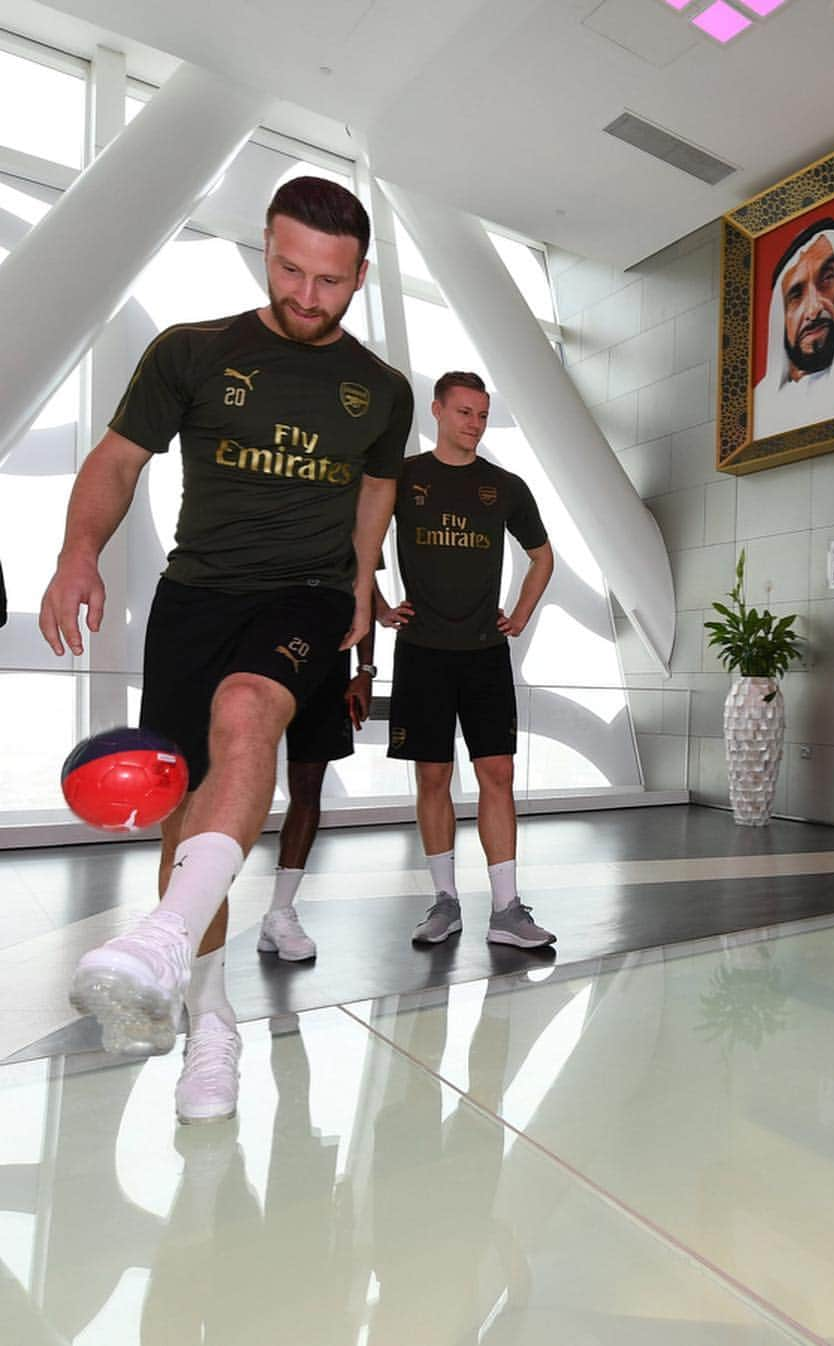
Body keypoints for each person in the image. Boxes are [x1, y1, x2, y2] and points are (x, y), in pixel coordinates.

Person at [39, 176, 413, 1123]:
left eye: (329, 280)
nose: (306, 294)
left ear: (359, 275)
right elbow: (119, 459)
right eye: (290, 269)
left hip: (308, 594)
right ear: (267, 248)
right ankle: (210, 1015)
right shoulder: (194, 353)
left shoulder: (382, 391)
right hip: (195, 596)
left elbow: (377, 490)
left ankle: (163, 945)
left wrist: (362, 580)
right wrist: (77, 553)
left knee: (251, 712)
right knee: (186, 811)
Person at [378, 370, 555, 949]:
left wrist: (521, 615)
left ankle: (507, 909)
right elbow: (356, 541)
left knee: (497, 774)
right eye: (464, 413)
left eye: (481, 415)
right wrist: (379, 606)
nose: (474, 424)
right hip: (421, 652)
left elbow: (542, 557)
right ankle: (445, 902)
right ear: (437, 411)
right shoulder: (404, 478)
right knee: (433, 776)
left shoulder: (504, 486)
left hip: (484, 654)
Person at [260, 634, 376, 962]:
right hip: (259, 655)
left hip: (326, 662)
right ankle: (196, 916)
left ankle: (280, 911)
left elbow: (362, 591)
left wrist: (365, 670)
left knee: (308, 787)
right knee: (236, 784)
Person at [752, 217, 834, 440]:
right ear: (780, 317)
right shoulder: (756, 406)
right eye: (796, 295)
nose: (814, 309)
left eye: (827, 279)